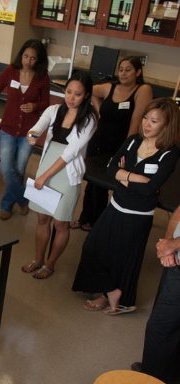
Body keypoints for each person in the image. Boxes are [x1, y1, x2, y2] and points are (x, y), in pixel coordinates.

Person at [73, 97, 180, 314]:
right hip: (115, 206)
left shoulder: (170, 153)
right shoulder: (133, 141)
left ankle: (115, 298)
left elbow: (152, 188)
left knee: (125, 259)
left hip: (138, 215)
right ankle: (111, 289)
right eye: (146, 118)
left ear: (167, 125)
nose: (147, 124)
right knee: (91, 247)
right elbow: (112, 168)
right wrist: (134, 178)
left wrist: (125, 177)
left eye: (154, 121)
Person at [22, 72, 97, 279]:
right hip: (47, 166)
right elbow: (37, 127)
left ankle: (50, 263)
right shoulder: (54, 110)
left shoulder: (89, 119)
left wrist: (44, 176)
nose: (71, 97)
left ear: (86, 96)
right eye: (69, 92)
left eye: (78, 94)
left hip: (66, 171)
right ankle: (38, 259)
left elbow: (71, 153)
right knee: (42, 218)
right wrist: (32, 134)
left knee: (60, 222)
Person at [71, 56, 153, 231]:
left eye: (128, 69)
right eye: (121, 69)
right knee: (90, 183)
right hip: (98, 141)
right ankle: (84, 217)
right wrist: (100, 110)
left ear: (138, 72)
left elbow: (136, 122)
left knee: (102, 185)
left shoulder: (142, 90)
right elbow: (90, 90)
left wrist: (127, 150)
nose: (123, 73)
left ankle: (96, 222)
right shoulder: (110, 88)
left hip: (117, 146)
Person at [0, 39, 50, 220]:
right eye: (26, 56)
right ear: (21, 55)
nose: (28, 60)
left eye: (33, 58)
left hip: (31, 130)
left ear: (39, 60)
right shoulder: (10, 71)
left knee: (19, 169)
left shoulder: (43, 77)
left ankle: (7, 206)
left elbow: (46, 104)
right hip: (9, 129)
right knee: (6, 168)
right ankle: (24, 200)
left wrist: (35, 106)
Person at [131, 205, 180, 384]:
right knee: (171, 323)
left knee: (159, 327)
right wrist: (168, 242)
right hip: (175, 260)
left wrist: (172, 245)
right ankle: (170, 372)